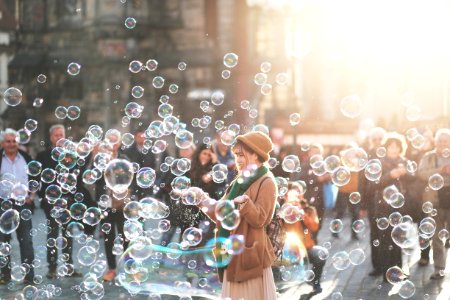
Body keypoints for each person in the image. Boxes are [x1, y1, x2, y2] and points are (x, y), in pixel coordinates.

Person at [195, 131, 278, 300]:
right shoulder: (240, 181)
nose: (238, 160)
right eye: (236, 155)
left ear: (256, 155)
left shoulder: (267, 181)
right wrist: (200, 198)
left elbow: (261, 219)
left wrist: (246, 203)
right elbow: (221, 211)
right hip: (231, 253)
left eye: (242, 155)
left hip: (250, 258)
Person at [36, 124, 83, 279]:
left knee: (68, 235)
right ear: (51, 137)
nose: (59, 138)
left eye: (61, 134)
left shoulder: (71, 156)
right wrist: (45, 197)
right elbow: (37, 179)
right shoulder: (42, 156)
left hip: (68, 201)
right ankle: (52, 268)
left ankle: (69, 267)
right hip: (51, 203)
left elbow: (78, 175)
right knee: (53, 235)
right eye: (56, 135)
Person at [372, 132, 414, 280]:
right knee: (385, 240)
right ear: (386, 147)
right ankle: (386, 273)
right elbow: (375, 183)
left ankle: (398, 271)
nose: (394, 149)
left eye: (397, 146)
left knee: (399, 239)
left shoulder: (405, 161)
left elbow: (414, 179)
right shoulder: (379, 162)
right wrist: (391, 174)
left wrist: (405, 173)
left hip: (400, 207)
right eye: (391, 146)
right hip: (383, 206)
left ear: (401, 148)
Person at [0, 128, 35, 284]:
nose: (11, 144)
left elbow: (36, 179)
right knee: (2, 241)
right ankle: (4, 275)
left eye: (14, 141)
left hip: (23, 205)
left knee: (26, 240)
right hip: (3, 204)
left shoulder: (26, 157)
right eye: (8, 141)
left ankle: (29, 275)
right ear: (2, 143)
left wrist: (32, 196)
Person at [94, 137, 130, 282]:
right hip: (106, 203)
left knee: (125, 236)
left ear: (120, 143)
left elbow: (130, 179)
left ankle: (128, 268)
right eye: (110, 140)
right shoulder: (100, 159)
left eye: (116, 140)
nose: (113, 143)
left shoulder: (124, 159)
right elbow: (92, 177)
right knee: (108, 237)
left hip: (121, 203)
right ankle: (111, 269)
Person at [417, 128, 450, 279]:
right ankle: (439, 269)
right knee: (437, 237)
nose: (443, 143)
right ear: (435, 142)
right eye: (440, 140)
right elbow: (421, 173)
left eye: (446, 140)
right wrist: (440, 170)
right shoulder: (428, 157)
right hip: (435, 200)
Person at [283, 182, 325, 294]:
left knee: (321, 253)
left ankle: (315, 281)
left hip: (306, 248)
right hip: (287, 250)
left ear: (302, 195)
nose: (296, 196)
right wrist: (288, 211)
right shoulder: (281, 211)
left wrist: (301, 213)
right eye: (292, 194)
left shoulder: (309, 210)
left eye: (298, 193)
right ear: (285, 196)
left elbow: (315, 227)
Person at [359, 126, 387, 276]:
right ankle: (377, 266)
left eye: (380, 139)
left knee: (389, 233)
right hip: (372, 201)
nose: (377, 142)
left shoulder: (390, 154)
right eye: (374, 139)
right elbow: (362, 183)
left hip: (389, 200)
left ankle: (389, 263)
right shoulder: (367, 157)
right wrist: (362, 204)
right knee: (375, 234)